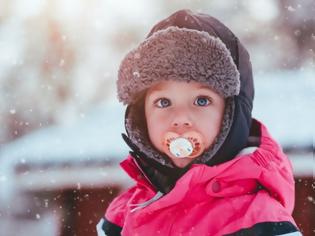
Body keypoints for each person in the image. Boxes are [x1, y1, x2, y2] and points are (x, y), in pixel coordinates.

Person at [97, 9, 302, 236]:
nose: (181, 118)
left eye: (201, 100)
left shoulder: (260, 221)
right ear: (140, 116)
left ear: (231, 115)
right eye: (163, 102)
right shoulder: (122, 215)